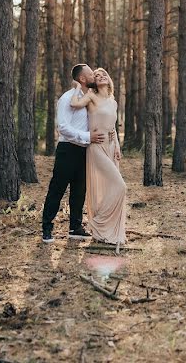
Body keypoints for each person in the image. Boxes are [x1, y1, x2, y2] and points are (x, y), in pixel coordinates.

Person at [40, 64, 107, 243]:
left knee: (79, 191)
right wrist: (88, 136)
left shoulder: (90, 98)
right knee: (57, 189)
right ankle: (47, 228)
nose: (95, 76)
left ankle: (75, 227)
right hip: (68, 150)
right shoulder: (67, 98)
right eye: (91, 74)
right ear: (82, 79)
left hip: (85, 151)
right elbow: (62, 127)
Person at [70, 68, 127, 247]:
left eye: (104, 74)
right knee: (120, 186)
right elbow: (75, 104)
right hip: (96, 147)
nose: (101, 76)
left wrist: (117, 146)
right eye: (96, 75)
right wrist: (76, 87)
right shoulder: (91, 97)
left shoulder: (113, 102)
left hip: (111, 147)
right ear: (94, 82)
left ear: (109, 79)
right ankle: (99, 220)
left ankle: (107, 228)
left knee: (111, 186)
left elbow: (113, 128)